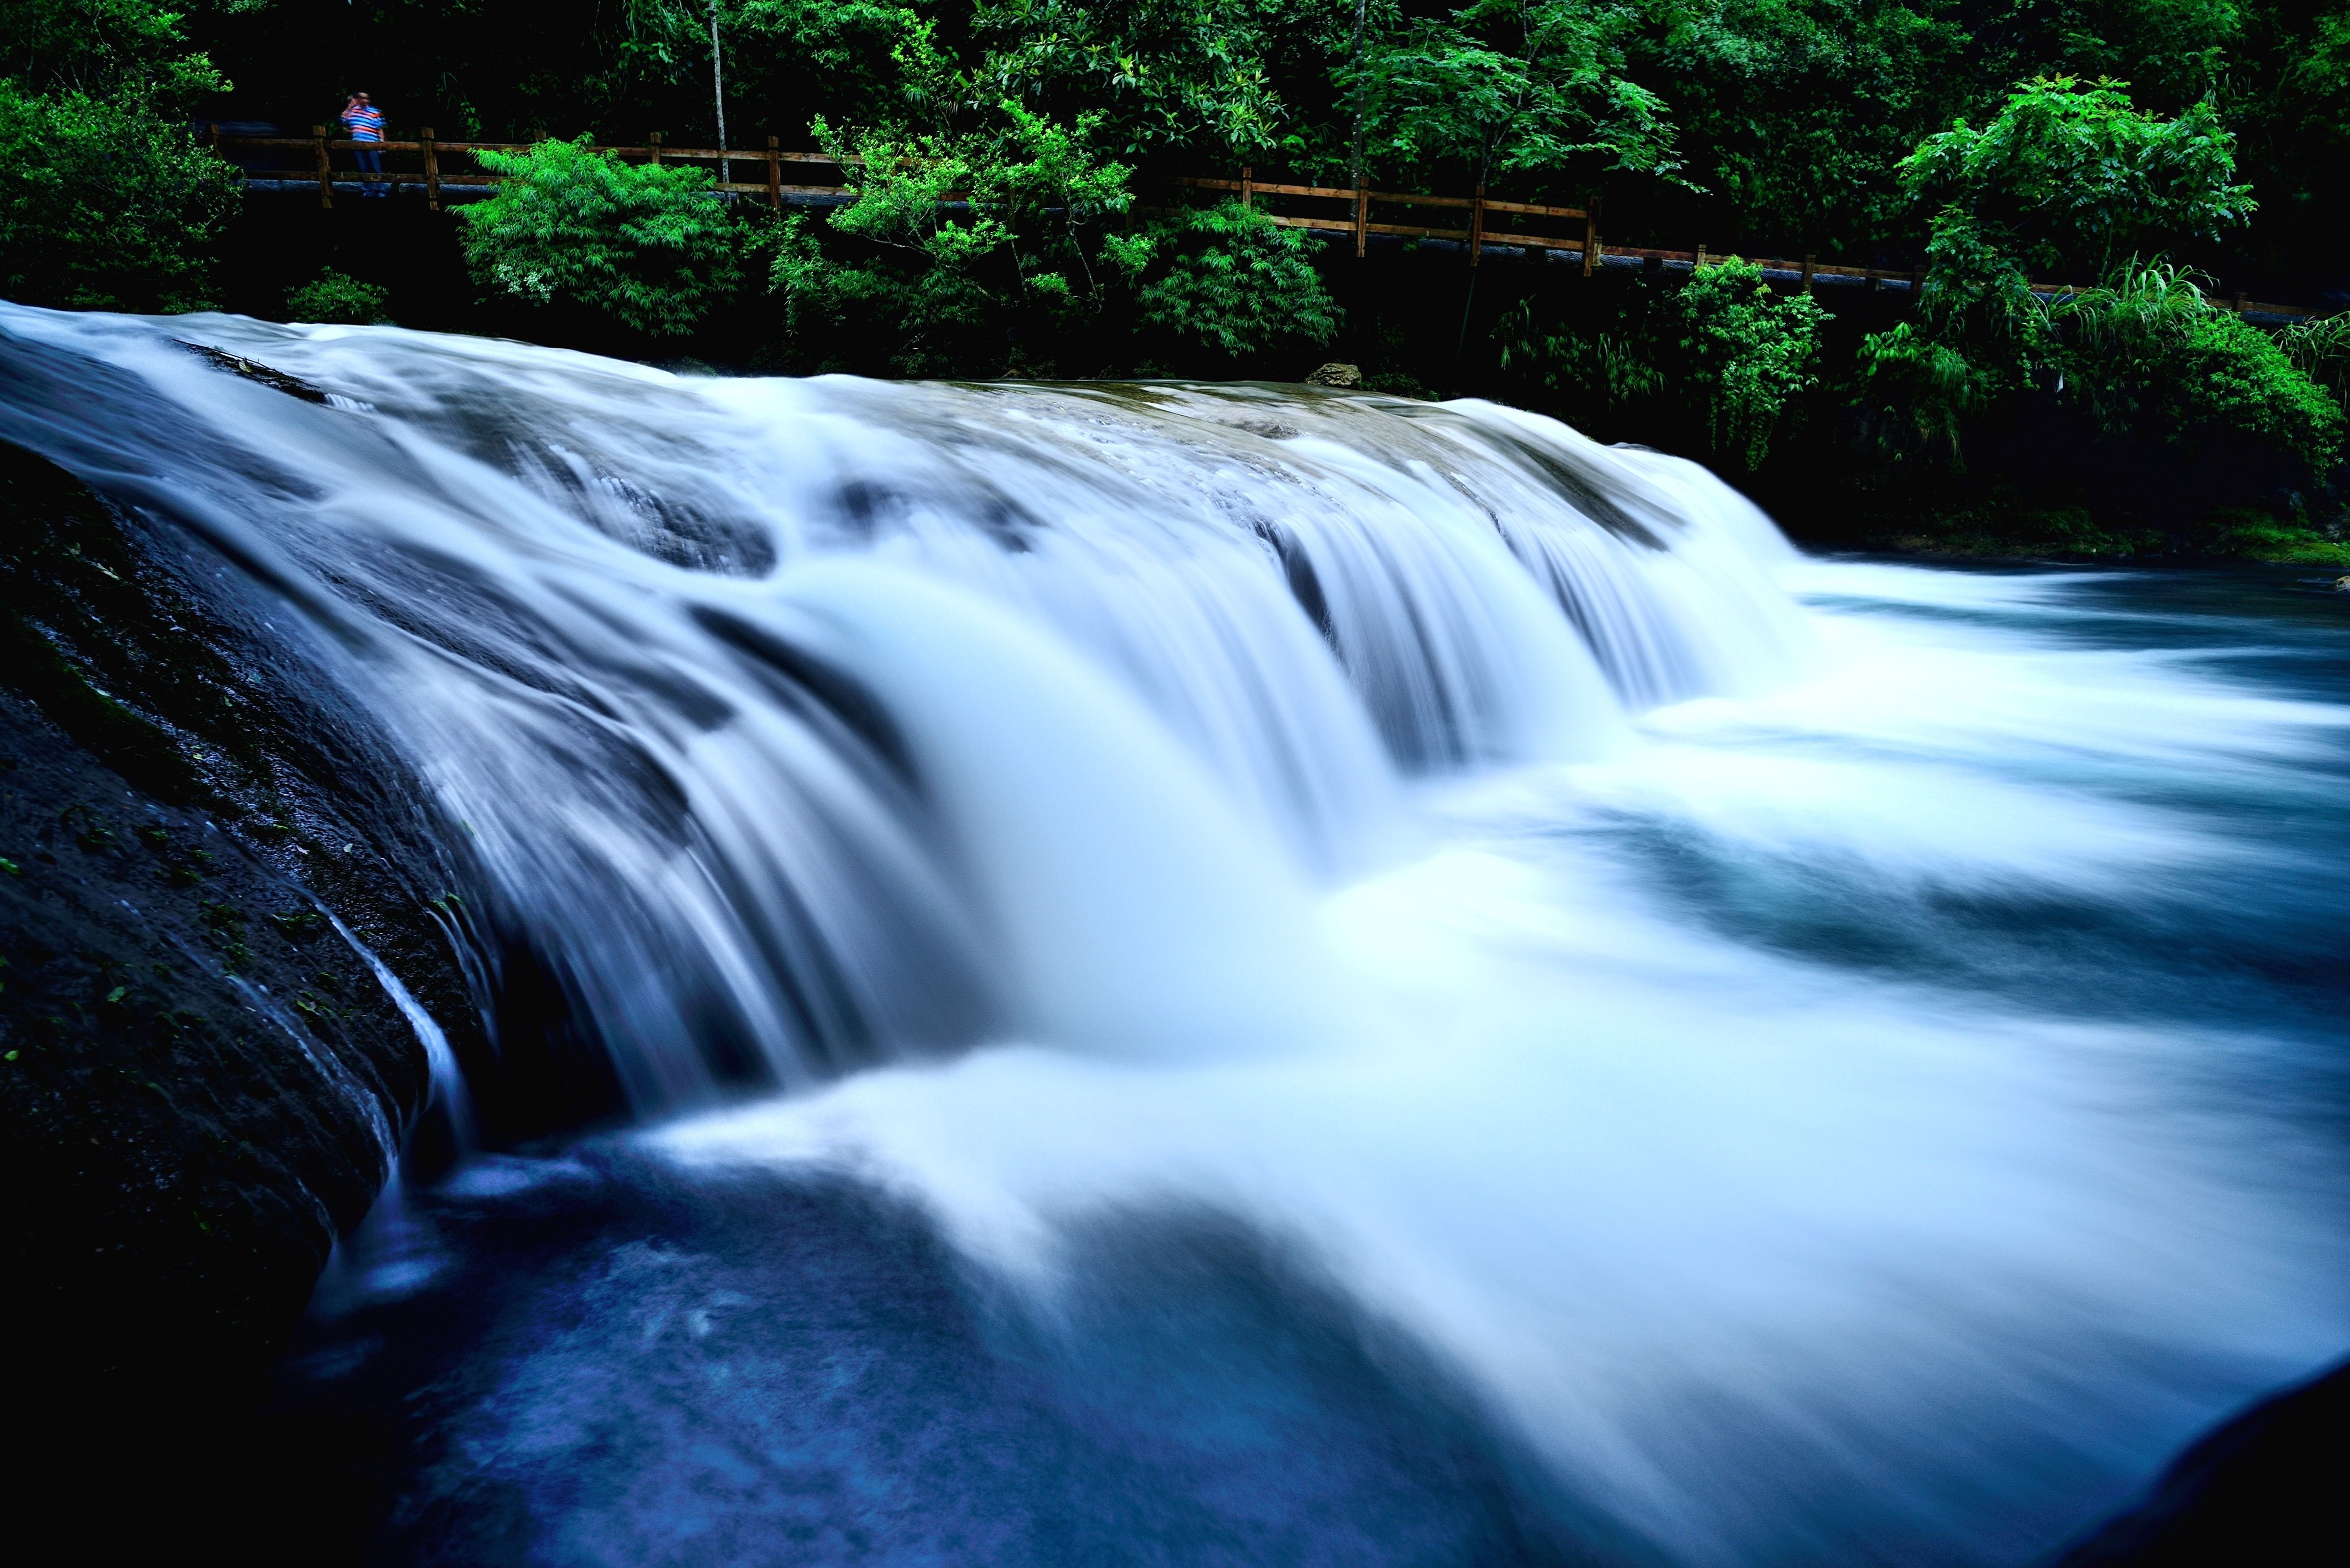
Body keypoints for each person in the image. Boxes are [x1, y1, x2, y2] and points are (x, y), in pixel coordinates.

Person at [341, 91, 387, 197]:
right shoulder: (353, 111)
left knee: (376, 168)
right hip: (358, 144)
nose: (364, 100)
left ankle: (382, 191)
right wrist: (351, 106)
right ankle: (368, 191)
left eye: (366, 98)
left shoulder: (374, 112)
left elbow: (380, 129)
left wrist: (382, 144)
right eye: (361, 98)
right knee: (364, 168)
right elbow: (343, 120)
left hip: (372, 144)